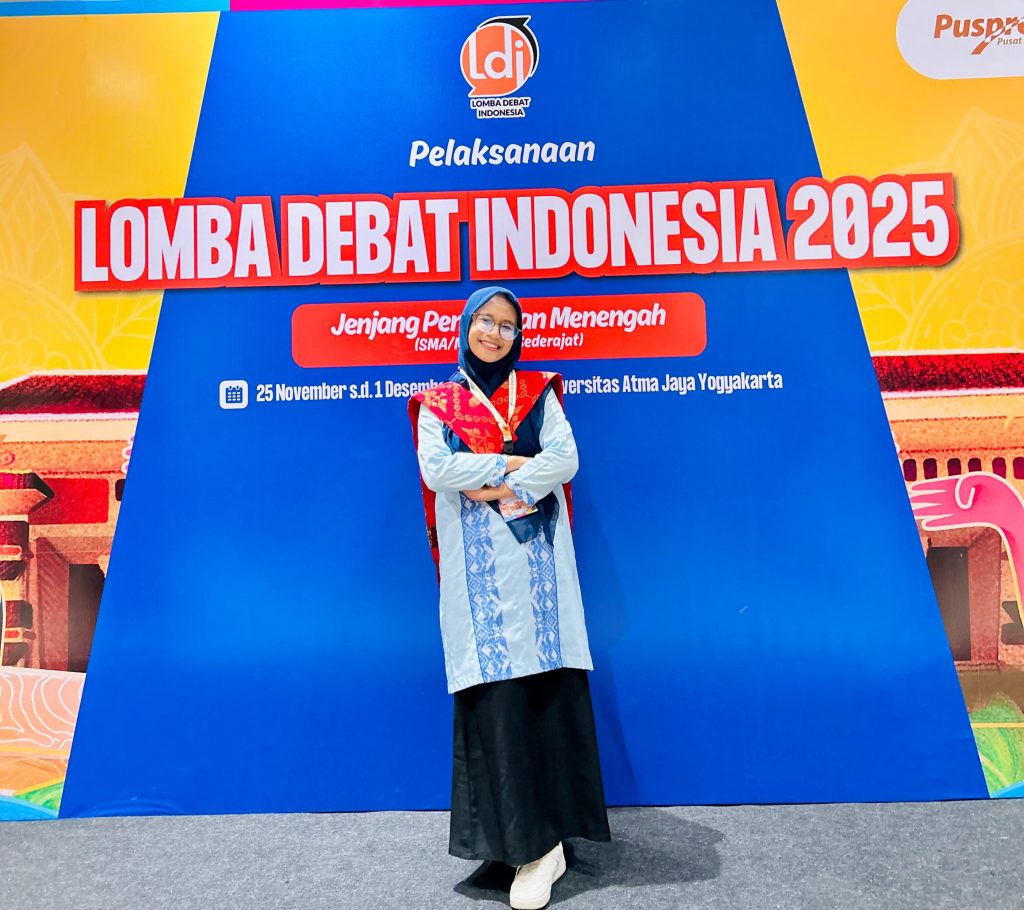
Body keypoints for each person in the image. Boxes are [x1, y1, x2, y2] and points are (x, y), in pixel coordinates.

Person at [409, 287, 610, 909]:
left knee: (544, 696)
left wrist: (493, 482)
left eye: (506, 325)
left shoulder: (539, 393)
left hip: (540, 571)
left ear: (518, 335)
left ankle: (547, 844)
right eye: (485, 321)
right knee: (497, 704)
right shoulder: (439, 404)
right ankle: (518, 844)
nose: (494, 333)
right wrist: (515, 466)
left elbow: (565, 459)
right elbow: (438, 470)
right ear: (466, 326)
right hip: (479, 585)